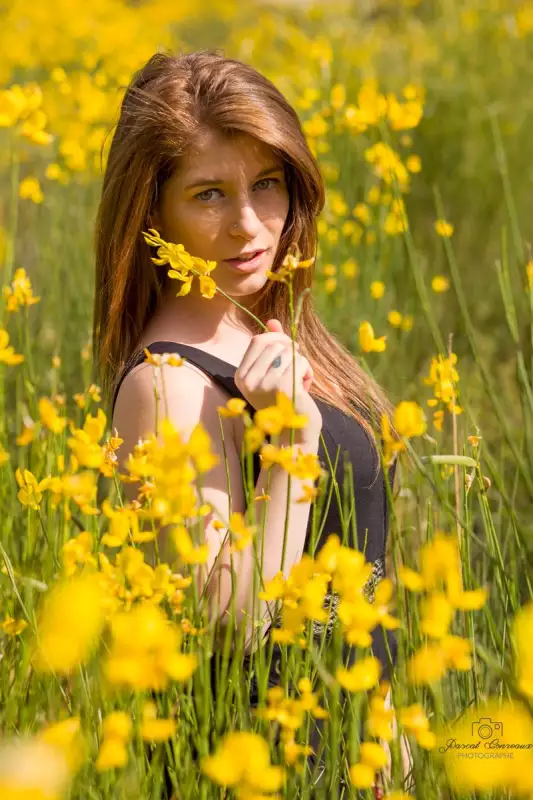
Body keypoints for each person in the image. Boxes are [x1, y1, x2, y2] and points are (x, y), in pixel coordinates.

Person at [93, 49, 412, 795]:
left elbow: (356, 565)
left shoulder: (271, 332)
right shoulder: (165, 386)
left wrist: (388, 735)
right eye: (208, 194)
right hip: (259, 770)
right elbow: (229, 623)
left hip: (347, 760)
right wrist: (292, 447)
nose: (249, 225)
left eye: (266, 184)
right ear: (152, 215)